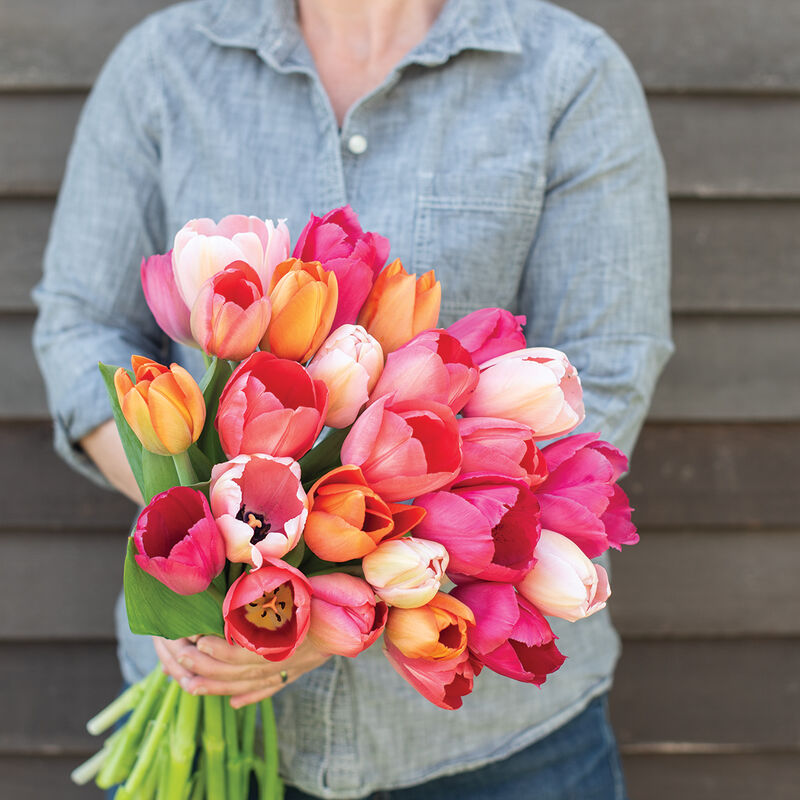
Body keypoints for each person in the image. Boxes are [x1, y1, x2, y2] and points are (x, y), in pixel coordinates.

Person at [33, 1, 672, 797]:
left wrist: (340, 600)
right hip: (200, 717)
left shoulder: (568, 73)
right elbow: (80, 329)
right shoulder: (163, 65)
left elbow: (606, 368)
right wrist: (224, 552)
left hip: (498, 751)